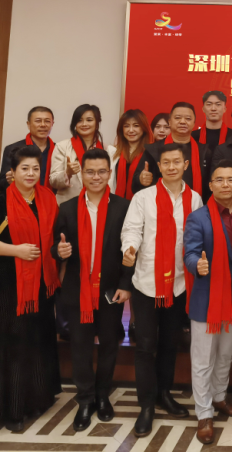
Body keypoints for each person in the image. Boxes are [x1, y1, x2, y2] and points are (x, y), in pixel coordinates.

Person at [0, 147, 62, 432]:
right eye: (25, 168)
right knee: (12, 343)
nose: (31, 174)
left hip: (41, 284)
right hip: (6, 285)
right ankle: (11, 409)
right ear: (12, 172)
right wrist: (16, 251)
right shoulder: (0, 201)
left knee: (37, 340)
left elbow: (55, 238)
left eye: (35, 168)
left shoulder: (48, 198)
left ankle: (38, 399)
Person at [120, 143, 202, 436]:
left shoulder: (195, 199)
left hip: (179, 284)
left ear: (185, 164)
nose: (171, 167)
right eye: (165, 162)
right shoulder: (143, 197)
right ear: (159, 166)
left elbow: (198, 235)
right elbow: (132, 230)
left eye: (176, 162)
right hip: (146, 283)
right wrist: (129, 249)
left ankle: (164, 393)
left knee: (170, 343)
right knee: (145, 346)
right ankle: (146, 405)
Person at [51, 148, 134, 432]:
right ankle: (85, 399)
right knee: (80, 348)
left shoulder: (124, 207)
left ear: (109, 173)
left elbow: (131, 250)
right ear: (81, 174)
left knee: (110, 344)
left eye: (101, 172)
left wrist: (125, 284)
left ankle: (102, 396)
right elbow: (54, 247)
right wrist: (60, 251)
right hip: (77, 290)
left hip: (111, 290)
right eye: (90, 172)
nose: (96, 177)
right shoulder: (67, 208)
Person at [183, 160, 232, 444]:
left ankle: (220, 397)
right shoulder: (198, 218)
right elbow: (189, 253)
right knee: (202, 360)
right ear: (210, 185)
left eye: (231, 179)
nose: (225, 184)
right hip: (207, 301)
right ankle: (204, 413)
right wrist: (197, 265)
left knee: (225, 354)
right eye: (219, 180)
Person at [51, 104, 118, 205]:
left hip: (101, 205)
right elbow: (53, 182)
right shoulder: (62, 147)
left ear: (97, 123)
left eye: (89, 120)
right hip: (69, 206)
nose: (84, 124)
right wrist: (67, 173)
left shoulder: (110, 151)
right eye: (79, 120)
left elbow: (112, 183)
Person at [1, 107, 54, 190]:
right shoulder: (13, 149)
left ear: (52, 124)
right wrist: (10, 180)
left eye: (47, 121)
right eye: (38, 121)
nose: (43, 125)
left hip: (52, 197)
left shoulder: (59, 149)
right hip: (21, 196)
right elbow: (1, 184)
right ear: (28, 124)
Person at [193, 91, 232, 188]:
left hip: (226, 188)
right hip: (198, 188)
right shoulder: (192, 137)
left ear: (224, 108)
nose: (213, 108)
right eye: (209, 104)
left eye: (218, 104)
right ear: (203, 108)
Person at [113, 109, 155, 201]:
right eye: (126, 126)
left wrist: (142, 180)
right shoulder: (114, 153)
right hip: (117, 204)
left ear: (144, 128)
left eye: (136, 125)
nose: (131, 130)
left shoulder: (152, 154)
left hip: (142, 204)